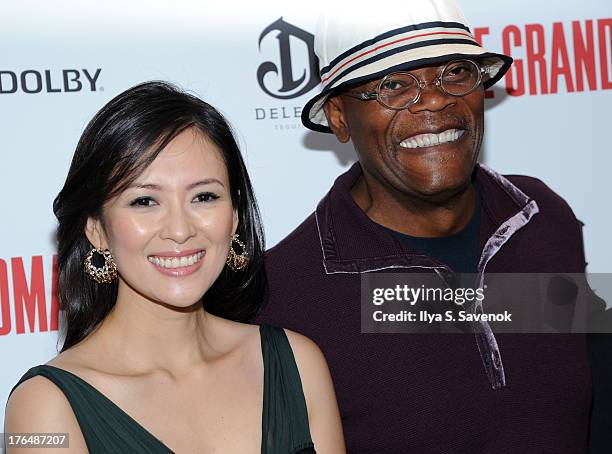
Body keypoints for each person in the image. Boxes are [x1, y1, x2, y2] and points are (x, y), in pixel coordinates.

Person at [255, 0, 596, 452]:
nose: (435, 99)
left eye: (455, 72)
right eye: (394, 84)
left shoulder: (542, 217)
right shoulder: (284, 298)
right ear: (338, 116)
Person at [4, 82, 345, 454]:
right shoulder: (41, 408)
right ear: (96, 229)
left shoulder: (297, 363)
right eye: (145, 201)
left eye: (204, 196)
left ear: (233, 216)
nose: (181, 230)